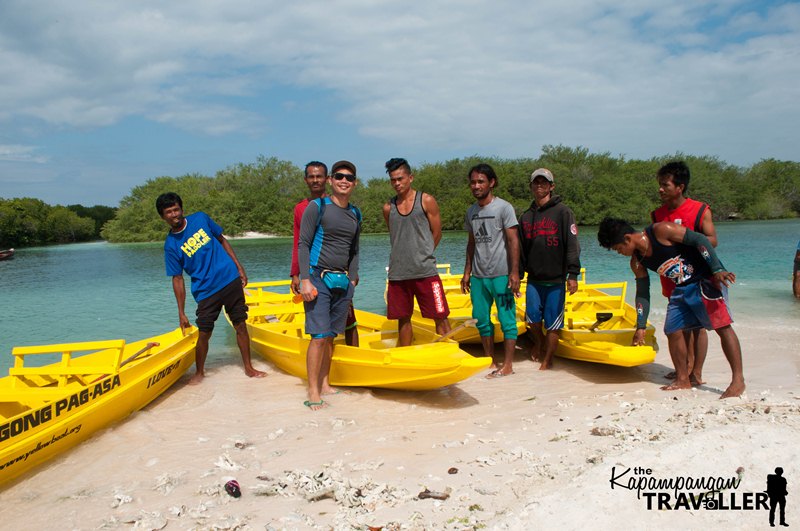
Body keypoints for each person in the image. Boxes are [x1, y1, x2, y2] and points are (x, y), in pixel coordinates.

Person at [597, 217, 746, 399]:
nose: (619, 253)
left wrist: (716, 269)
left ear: (628, 238)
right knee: (672, 329)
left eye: (618, 248)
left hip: (704, 280)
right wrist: (641, 325)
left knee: (722, 327)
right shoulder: (637, 262)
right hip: (681, 288)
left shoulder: (661, 231)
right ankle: (682, 379)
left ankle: (738, 380)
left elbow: (700, 240)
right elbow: (643, 293)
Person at [156, 192, 266, 384]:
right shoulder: (171, 245)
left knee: (240, 324)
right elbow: (177, 278)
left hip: (229, 278)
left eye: (176, 209)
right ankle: (199, 372)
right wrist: (181, 312)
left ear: (181, 209)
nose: (174, 214)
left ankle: (248, 367)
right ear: (162, 216)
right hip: (206, 291)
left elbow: (222, 240)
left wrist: (239, 267)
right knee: (204, 332)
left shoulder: (200, 218)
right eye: (169, 212)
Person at [297, 160, 361, 410]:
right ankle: (313, 391)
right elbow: (303, 244)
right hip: (317, 279)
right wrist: (304, 280)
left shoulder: (355, 213)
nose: (344, 180)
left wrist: (353, 278)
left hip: (342, 281)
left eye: (349, 177)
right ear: (331, 181)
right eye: (339, 176)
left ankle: (325, 384)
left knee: (332, 336)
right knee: (319, 337)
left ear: (354, 183)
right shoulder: (318, 207)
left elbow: (354, 249)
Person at [651, 161, 717, 385]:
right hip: (672, 278)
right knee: (680, 326)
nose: (660, 189)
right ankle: (685, 368)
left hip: (697, 277)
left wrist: (684, 239)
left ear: (679, 187)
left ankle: (696, 372)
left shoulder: (699, 210)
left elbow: (712, 240)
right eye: (660, 184)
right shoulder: (657, 214)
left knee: (698, 327)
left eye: (665, 185)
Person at [461, 163, 521, 377]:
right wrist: (466, 272)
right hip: (478, 275)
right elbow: (471, 243)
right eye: (473, 182)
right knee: (480, 318)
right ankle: (491, 361)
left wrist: (514, 273)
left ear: (491, 183)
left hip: (501, 275)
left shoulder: (504, 208)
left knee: (507, 319)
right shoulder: (471, 211)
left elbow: (513, 241)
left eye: (481, 181)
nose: (476, 186)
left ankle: (509, 365)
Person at [518, 168, 581, 370]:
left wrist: (573, 274)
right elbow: (520, 249)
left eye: (543, 183)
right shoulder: (526, 217)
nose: (539, 186)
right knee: (533, 321)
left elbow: (572, 244)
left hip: (555, 280)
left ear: (551, 186)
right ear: (531, 187)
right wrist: (517, 275)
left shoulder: (563, 212)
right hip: (534, 280)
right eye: (535, 183)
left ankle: (548, 360)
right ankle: (539, 342)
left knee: (553, 324)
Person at [290, 161, 359, 347]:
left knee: (349, 319)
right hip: (315, 273)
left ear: (326, 179)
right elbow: (300, 242)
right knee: (319, 329)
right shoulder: (303, 208)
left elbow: (350, 245)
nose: (315, 180)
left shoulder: (338, 203)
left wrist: (353, 275)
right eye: (311, 177)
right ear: (306, 180)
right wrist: (296, 274)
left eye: (319, 176)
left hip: (339, 274)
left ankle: (354, 359)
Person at [383, 157, 450, 346]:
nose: (397, 183)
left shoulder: (426, 200)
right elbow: (396, 237)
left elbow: (437, 233)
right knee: (403, 319)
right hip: (398, 273)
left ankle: (446, 354)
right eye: (393, 180)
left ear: (410, 177)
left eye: (400, 178)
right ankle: (406, 357)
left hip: (426, 271)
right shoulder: (388, 208)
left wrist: (423, 254)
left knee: (440, 315)